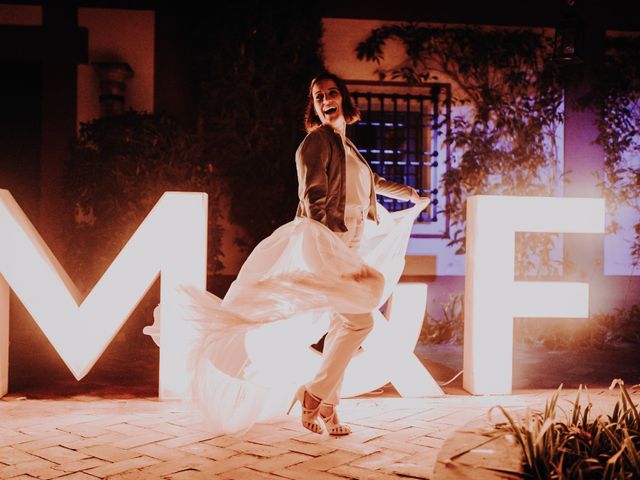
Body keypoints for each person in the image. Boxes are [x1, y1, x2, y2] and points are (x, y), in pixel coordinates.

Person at [287, 72, 427, 436]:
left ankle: (331, 410)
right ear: (315, 108)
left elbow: (373, 182)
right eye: (318, 96)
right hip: (327, 242)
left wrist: (410, 194)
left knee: (341, 327)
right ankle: (314, 394)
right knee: (360, 321)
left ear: (344, 101)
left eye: (332, 93)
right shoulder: (315, 142)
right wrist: (326, 245)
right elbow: (313, 197)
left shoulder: (348, 147)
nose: (326, 99)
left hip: (349, 243)